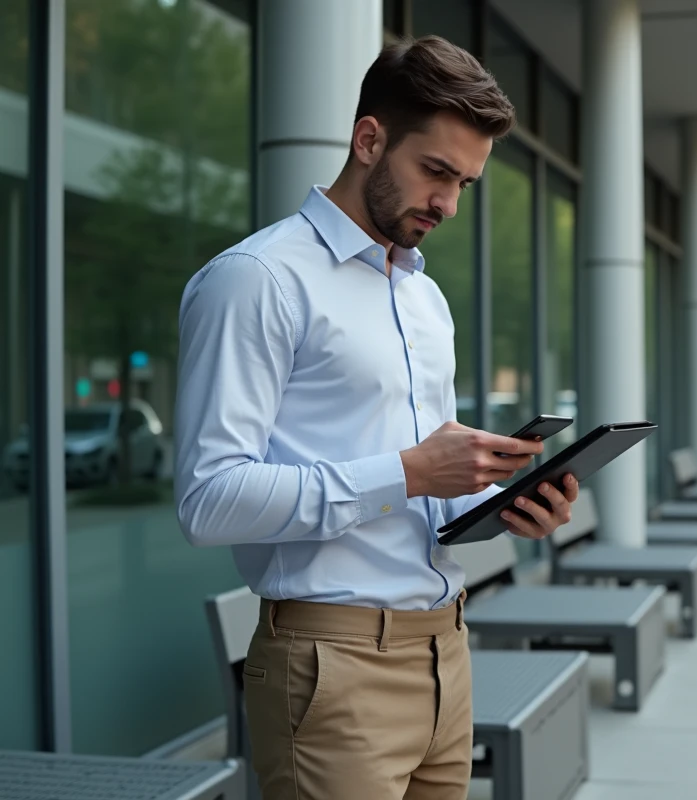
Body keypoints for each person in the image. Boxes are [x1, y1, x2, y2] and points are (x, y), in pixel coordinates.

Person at [173, 37, 579, 800]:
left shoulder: (425, 300)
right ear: (369, 139)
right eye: (435, 171)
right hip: (331, 668)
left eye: (465, 183)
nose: (449, 204)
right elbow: (208, 500)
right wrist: (409, 471)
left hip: (446, 652)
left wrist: (503, 503)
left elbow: (431, 491)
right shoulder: (256, 282)